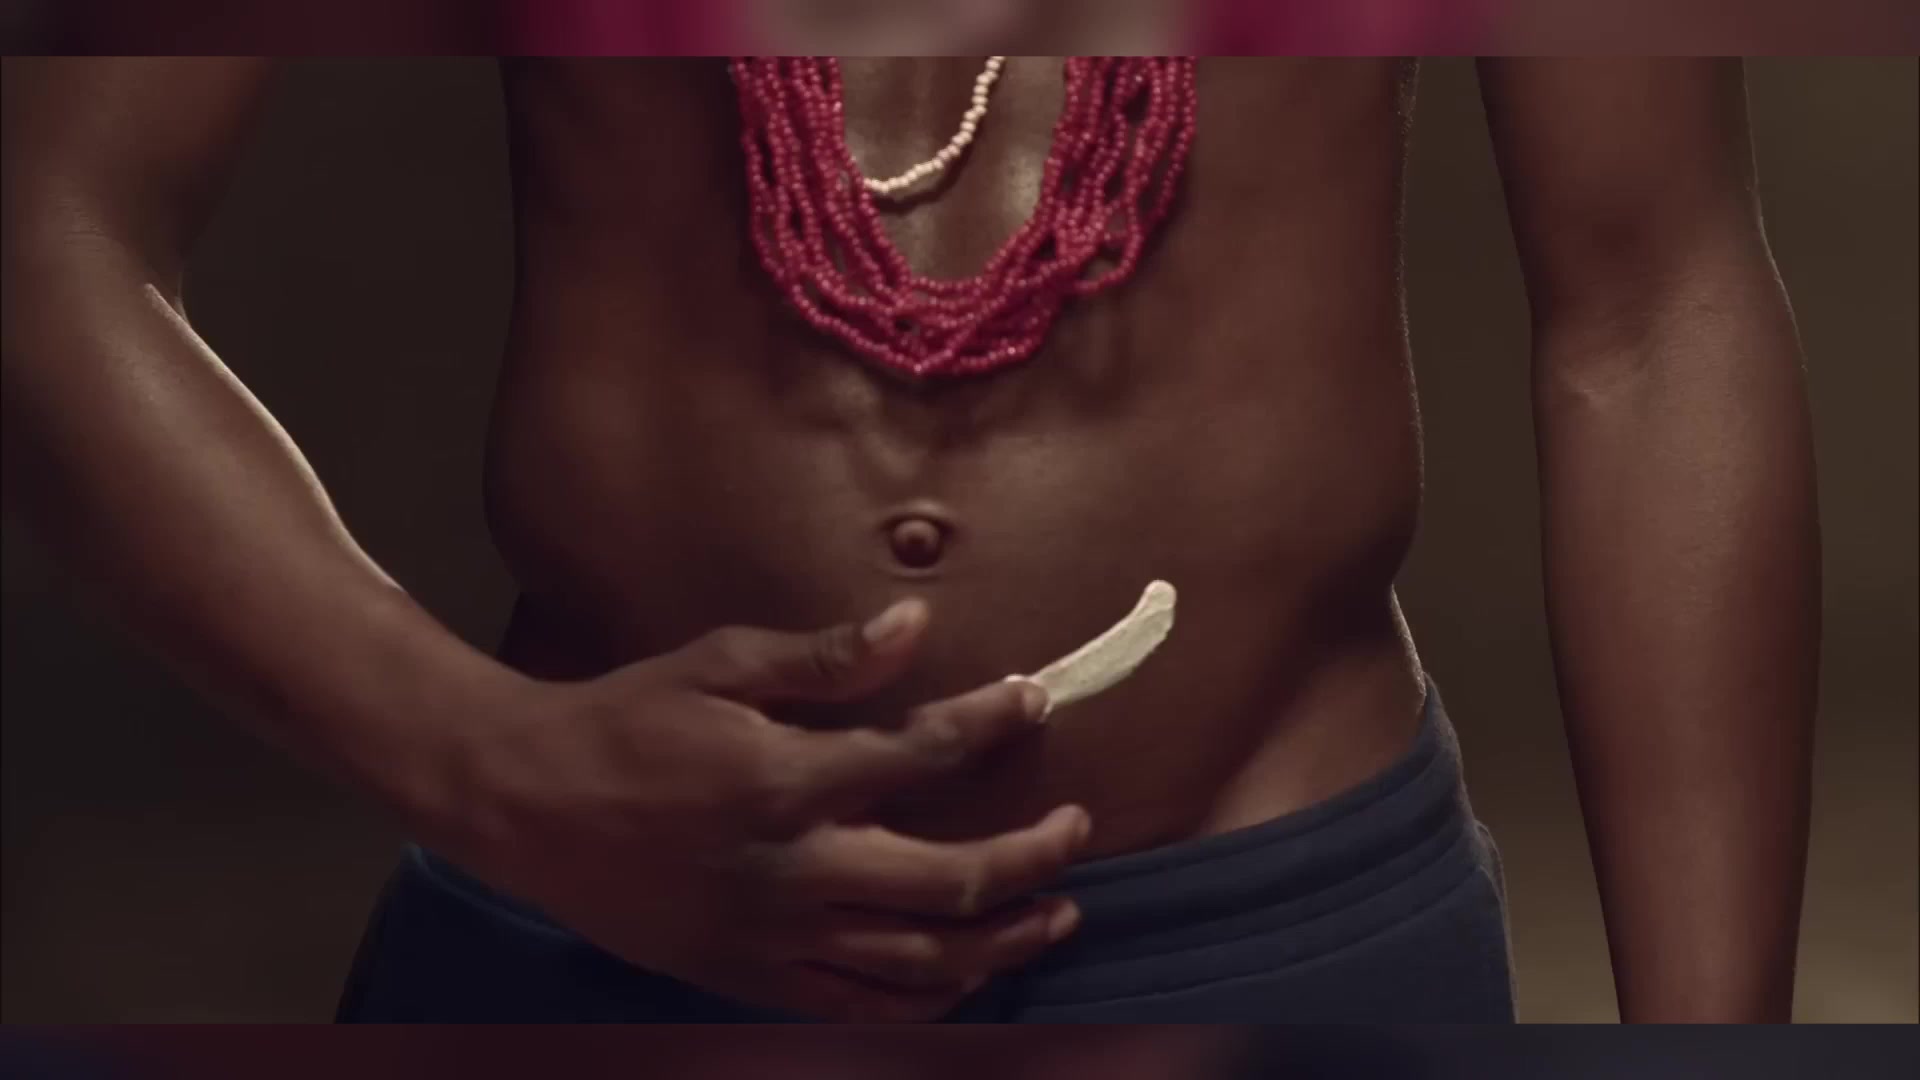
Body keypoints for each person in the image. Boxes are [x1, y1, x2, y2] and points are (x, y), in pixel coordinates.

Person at [0, 55, 1817, 1023]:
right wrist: (479, 760)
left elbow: (1651, 315)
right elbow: (52, 239)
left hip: (1264, 924)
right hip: (601, 917)